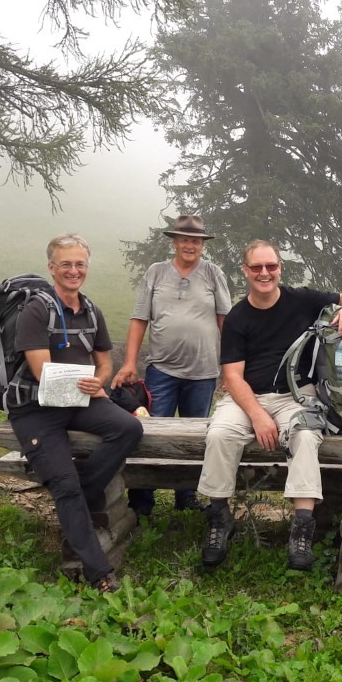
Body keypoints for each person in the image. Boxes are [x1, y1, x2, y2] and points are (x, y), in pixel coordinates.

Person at [197, 240, 342, 571]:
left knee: (305, 436)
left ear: (280, 268)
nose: (264, 273)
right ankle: (219, 517)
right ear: (245, 271)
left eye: (271, 266)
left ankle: (301, 529)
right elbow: (232, 376)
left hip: (296, 396)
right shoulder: (237, 317)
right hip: (247, 397)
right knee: (219, 434)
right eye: (256, 267)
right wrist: (258, 415)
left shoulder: (301, 299)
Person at [8, 234, 142, 594]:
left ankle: (77, 497)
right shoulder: (36, 310)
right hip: (36, 407)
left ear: (87, 267)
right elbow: (42, 372)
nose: (73, 270)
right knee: (64, 485)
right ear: (51, 268)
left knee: (128, 428)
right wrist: (89, 385)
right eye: (65, 264)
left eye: (80, 264)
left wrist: (100, 382)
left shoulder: (91, 310)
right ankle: (100, 574)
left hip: (78, 398)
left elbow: (105, 362)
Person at [111, 215, 232, 516]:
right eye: (185, 239)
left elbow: (225, 321)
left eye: (196, 241)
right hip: (161, 370)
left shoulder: (213, 273)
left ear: (203, 244)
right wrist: (129, 362)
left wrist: (231, 368)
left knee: (195, 438)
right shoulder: (156, 272)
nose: (190, 245)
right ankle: (142, 501)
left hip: (203, 372)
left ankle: (186, 496)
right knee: (148, 433)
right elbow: (139, 318)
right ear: (175, 242)